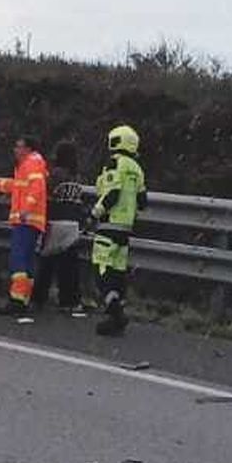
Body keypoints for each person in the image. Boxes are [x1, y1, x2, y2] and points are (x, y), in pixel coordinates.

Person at [89, 124, 147, 336]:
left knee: (101, 269)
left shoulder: (115, 163)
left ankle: (115, 313)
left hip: (108, 225)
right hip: (125, 229)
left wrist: (94, 213)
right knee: (118, 273)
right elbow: (143, 202)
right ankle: (116, 316)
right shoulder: (137, 168)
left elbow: (112, 192)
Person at [0, 135, 49, 321]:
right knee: (27, 262)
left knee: (19, 261)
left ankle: (17, 301)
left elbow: (36, 188)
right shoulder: (29, 165)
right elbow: (16, 187)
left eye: (19, 146)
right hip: (31, 221)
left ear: (28, 149)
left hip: (26, 220)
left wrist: (25, 210)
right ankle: (23, 299)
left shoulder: (31, 164)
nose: (15, 150)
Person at [34, 141, 86, 316]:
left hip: (56, 222)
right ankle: (70, 300)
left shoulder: (55, 175)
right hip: (73, 224)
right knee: (69, 265)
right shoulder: (77, 177)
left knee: (47, 262)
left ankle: (38, 297)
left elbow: (45, 196)